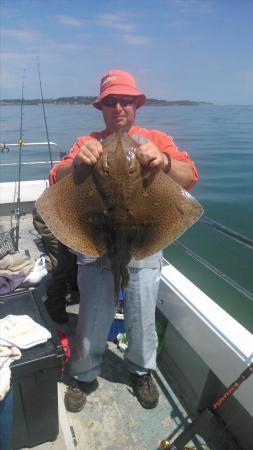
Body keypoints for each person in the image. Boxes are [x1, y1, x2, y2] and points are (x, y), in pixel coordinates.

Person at [49, 69, 199, 412]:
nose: (119, 107)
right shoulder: (87, 141)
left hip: (143, 241)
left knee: (142, 312)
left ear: (137, 105)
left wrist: (162, 162)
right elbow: (56, 176)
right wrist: (78, 163)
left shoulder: (156, 139)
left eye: (126, 101)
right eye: (111, 101)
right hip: (97, 240)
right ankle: (85, 373)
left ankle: (141, 370)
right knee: (92, 313)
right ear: (101, 107)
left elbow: (189, 176)